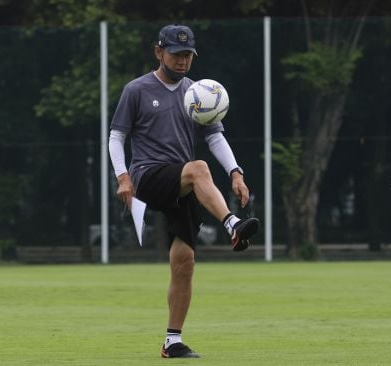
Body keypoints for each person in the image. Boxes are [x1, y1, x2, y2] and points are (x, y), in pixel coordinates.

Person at [108, 24, 259, 358]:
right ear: (158, 52)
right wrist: (123, 177)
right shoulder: (136, 90)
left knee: (185, 261)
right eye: (176, 54)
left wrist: (236, 172)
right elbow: (116, 138)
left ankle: (172, 341)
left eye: (188, 55)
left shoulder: (198, 92)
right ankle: (232, 224)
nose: (182, 61)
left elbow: (214, 137)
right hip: (147, 175)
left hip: (183, 181)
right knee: (199, 168)